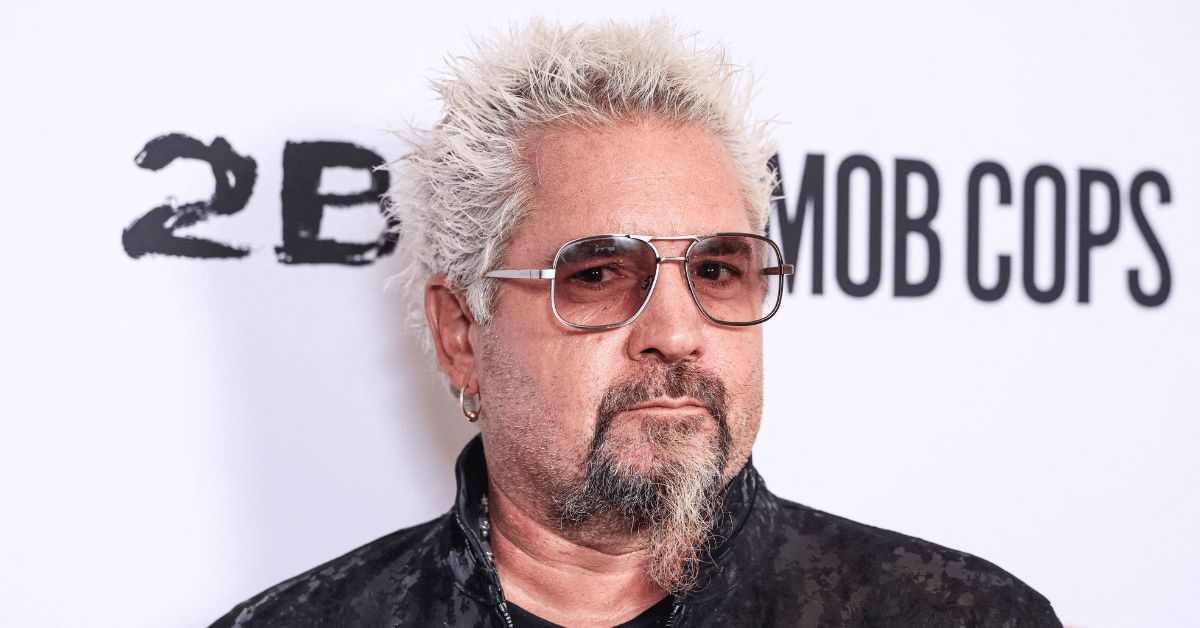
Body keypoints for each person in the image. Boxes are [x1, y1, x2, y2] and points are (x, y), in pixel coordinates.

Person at [208, 19, 1061, 628]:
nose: (678, 332)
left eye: (718, 270)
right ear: (462, 334)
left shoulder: (957, 615)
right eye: (598, 275)